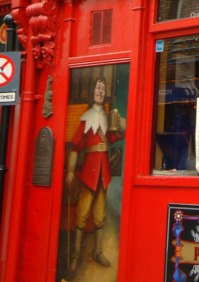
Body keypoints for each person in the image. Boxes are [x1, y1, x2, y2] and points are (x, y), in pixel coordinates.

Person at [66, 76, 124, 274]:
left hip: (103, 173)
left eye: (103, 88)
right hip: (89, 173)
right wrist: (71, 171)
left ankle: (97, 251)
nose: (100, 91)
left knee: (100, 214)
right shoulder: (85, 119)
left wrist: (121, 122)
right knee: (82, 215)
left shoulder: (108, 118)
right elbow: (75, 147)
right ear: (93, 92)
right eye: (98, 87)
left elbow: (116, 136)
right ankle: (76, 255)